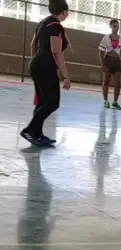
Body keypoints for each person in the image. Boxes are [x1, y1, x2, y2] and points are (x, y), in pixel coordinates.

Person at [21, 0, 71, 147]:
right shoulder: (56, 26)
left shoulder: (43, 23)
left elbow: (33, 45)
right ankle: (29, 130)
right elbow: (56, 53)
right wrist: (65, 76)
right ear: (63, 12)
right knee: (52, 103)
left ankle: (37, 133)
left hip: (36, 64)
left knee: (42, 102)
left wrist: (35, 61)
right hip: (45, 67)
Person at [98, 19, 121, 110]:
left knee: (117, 83)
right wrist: (103, 64)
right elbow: (101, 51)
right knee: (106, 81)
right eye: (114, 26)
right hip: (108, 60)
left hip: (117, 61)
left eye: (117, 27)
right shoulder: (106, 38)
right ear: (110, 27)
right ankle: (106, 100)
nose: (116, 28)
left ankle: (115, 101)